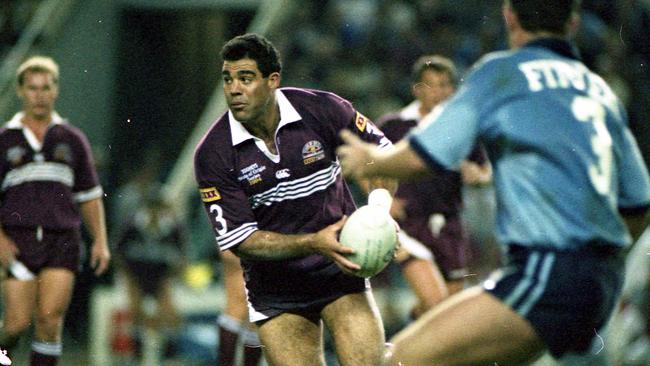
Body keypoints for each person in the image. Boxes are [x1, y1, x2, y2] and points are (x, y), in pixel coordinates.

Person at [337, 0, 650, 364]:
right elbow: (639, 203)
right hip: (602, 280)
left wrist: (368, 158)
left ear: (509, 15)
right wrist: (594, 264)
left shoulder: (502, 74)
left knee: (400, 359)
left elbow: (427, 155)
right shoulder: (600, 91)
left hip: (546, 273)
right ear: (574, 24)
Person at [194, 33, 394, 366]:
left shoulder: (322, 109)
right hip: (276, 290)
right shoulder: (213, 154)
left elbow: (383, 157)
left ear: (272, 81)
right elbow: (242, 241)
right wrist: (314, 242)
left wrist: (379, 213)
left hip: (339, 273)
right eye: (228, 79)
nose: (234, 89)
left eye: (246, 78)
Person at [0, 56, 110, 365]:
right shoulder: (5, 139)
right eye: (32, 88)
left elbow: (89, 196)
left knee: (50, 322)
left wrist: (100, 240)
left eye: (45, 88)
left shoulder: (72, 139)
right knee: (17, 324)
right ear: (21, 91)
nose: (39, 95)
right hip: (18, 240)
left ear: (55, 91)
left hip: (62, 239)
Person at [377, 55, 491, 319]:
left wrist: (479, 176)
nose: (438, 92)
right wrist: (384, 199)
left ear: (453, 89)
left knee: (446, 310)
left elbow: (484, 171)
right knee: (436, 302)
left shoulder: (463, 129)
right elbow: (368, 163)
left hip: (450, 225)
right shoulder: (394, 125)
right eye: (430, 85)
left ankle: (410, 329)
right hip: (409, 224)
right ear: (416, 89)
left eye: (444, 85)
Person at [114, 189, 186, 361]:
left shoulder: (172, 227)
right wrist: (129, 279)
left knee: (168, 313)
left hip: (162, 275)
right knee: (136, 311)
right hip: (136, 273)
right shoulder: (132, 224)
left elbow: (182, 256)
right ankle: (136, 354)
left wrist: (171, 278)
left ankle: (169, 355)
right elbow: (118, 252)